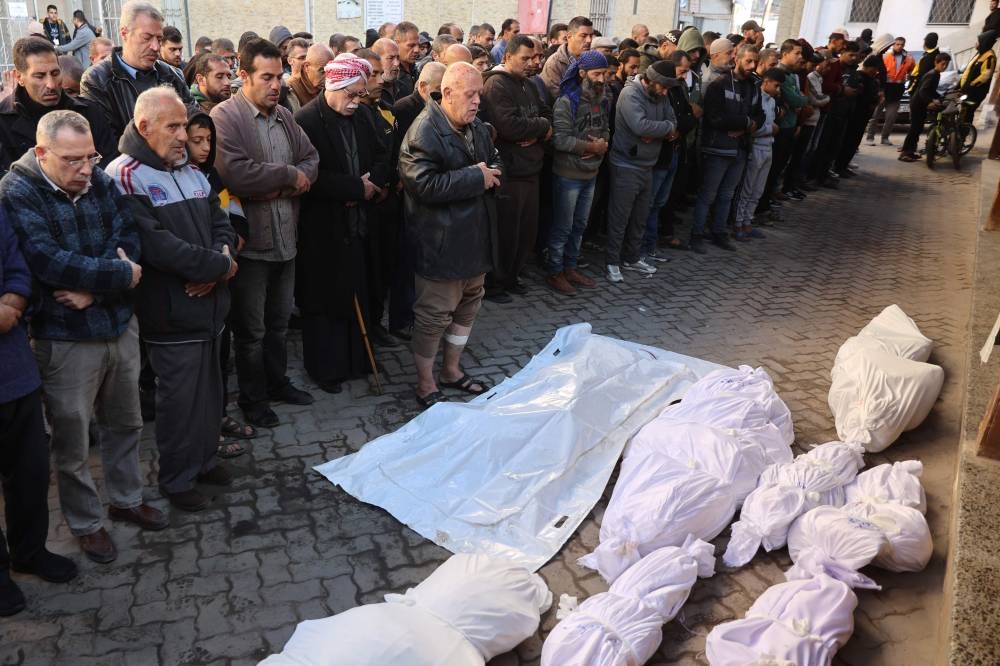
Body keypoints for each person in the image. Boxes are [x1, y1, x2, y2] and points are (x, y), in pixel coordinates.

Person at [1, 109, 168, 564]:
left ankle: (126, 498)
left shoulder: (99, 178)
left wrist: (97, 290)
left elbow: (127, 233)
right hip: (65, 338)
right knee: (73, 439)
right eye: (72, 160)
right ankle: (86, 523)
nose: (85, 169)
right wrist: (118, 274)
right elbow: (45, 261)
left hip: (115, 322)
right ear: (41, 153)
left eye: (91, 156)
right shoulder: (17, 190)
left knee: (126, 423)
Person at [106, 88, 237, 511]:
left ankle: (203, 460)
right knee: (179, 401)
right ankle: (176, 479)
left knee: (209, 393)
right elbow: (157, 247)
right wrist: (217, 268)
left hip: (210, 306)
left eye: (185, 125)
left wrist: (224, 259)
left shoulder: (191, 170)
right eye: (174, 127)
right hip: (171, 311)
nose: (184, 135)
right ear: (144, 128)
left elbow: (222, 224)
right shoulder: (124, 176)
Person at [211, 38, 319, 427]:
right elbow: (235, 173)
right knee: (251, 330)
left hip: (287, 240)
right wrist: (289, 176)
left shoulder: (285, 116)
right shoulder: (226, 118)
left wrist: (287, 180)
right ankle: (252, 399)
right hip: (252, 246)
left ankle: (277, 383)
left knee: (277, 323)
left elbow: (311, 157)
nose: (277, 85)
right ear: (243, 76)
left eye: (280, 77)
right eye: (267, 77)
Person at [398, 62, 502, 408]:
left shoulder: (477, 127)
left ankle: (452, 371)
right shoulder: (423, 131)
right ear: (447, 93)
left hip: (475, 240)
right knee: (433, 317)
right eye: (470, 95)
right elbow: (422, 185)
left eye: (479, 95)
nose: (476, 102)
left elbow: (495, 160)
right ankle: (426, 384)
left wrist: (492, 171)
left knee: (468, 308)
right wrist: (477, 177)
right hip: (441, 244)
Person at [0, 202, 79, 616]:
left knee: (31, 472)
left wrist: (12, 303)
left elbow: (15, 261)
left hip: (14, 372)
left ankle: (29, 551)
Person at [294, 55, 390, 393]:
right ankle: (327, 369)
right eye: (350, 94)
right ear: (333, 86)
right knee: (325, 300)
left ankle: (358, 360)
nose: (355, 101)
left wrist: (372, 183)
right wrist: (353, 188)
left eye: (360, 94)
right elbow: (309, 174)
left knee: (360, 291)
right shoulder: (306, 120)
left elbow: (384, 154)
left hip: (360, 222)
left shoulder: (365, 115)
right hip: (324, 227)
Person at [480, 34, 552, 303]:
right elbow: (508, 127)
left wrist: (538, 129)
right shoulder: (497, 85)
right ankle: (496, 284)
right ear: (508, 57)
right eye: (526, 58)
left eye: (535, 58)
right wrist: (540, 128)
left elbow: (547, 114)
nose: (532, 63)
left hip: (531, 168)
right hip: (509, 172)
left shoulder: (531, 84)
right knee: (506, 233)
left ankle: (512, 277)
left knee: (525, 231)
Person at [604, 60, 680, 281]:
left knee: (640, 216)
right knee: (620, 217)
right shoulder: (630, 95)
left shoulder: (662, 95)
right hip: (626, 165)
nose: (666, 92)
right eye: (663, 87)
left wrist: (659, 130)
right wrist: (663, 130)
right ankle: (612, 261)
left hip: (648, 164)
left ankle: (632, 257)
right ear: (651, 81)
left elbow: (672, 121)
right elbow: (640, 126)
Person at [81, 1, 196, 142]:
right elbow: (105, 144)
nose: (155, 47)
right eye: (146, 38)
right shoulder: (96, 79)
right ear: (124, 34)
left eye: (159, 39)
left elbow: (195, 125)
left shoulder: (173, 75)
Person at [546, 50, 610, 295]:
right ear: (582, 73)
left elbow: (606, 128)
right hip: (568, 175)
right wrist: (590, 147)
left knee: (580, 224)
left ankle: (570, 267)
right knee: (563, 226)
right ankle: (555, 271)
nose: (602, 79)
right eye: (597, 74)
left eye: (605, 73)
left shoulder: (603, 99)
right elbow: (560, 140)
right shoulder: (566, 102)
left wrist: (603, 145)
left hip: (591, 173)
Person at [0, 38, 115, 173]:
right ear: (19, 77)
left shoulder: (89, 112)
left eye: (55, 73)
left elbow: (109, 165)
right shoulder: (3, 122)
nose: (51, 84)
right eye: (40, 76)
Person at [690, 43, 763, 254]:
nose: (752, 65)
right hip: (717, 148)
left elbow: (760, 115)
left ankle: (719, 232)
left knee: (727, 194)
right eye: (748, 61)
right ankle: (696, 235)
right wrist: (745, 123)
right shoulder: (719, 84)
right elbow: (715, 117)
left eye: (755, 62)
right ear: (737, 59)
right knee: (708, 194)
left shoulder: (753, 86)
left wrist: (745, 126)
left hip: (740, 148)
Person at [734, 67, 782, 240]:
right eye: (776, 85)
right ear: (766, 82)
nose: (778, 90)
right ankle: (738, 223)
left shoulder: (771, 101)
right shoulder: (757, 98)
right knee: (747, 189)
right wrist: (771, 129)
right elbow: (753, 127)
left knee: (758, 190)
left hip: (768, 146)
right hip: (756, 148)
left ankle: (748, 222)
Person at [899, 52, 950, 162]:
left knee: (917, 129)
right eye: (943, 64)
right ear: (936, 63)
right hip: (918, 104)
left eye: (946, 64)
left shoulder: (936, 74)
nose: (944, 66)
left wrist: (940, 96)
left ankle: (911, 152)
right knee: (914, 129)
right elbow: (923, 91)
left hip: (921, 104)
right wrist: (929, 102)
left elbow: (930, 91)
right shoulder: (933, 74)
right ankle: (905, 153)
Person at [867, 37, 913, 146]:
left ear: (904, 45)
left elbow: (912, 72)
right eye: (897, 44)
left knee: (891, 117)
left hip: (897, 90)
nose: (899, 46)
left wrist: (909, 80)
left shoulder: (909, 58)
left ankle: (885, 138)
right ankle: (870, 137)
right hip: (884, 88)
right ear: (893, 45)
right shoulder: (885, 56)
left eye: (901, 44)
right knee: (875, 115)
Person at [541, 17, 594, 99]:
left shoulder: (594, 60)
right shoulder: (554, 63)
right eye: (583, 36)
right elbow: (557, 97)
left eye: (591, 36)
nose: (589, 40)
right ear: (569, 36)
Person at [394, 61, 445, 137]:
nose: (444, 95)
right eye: (439, 89)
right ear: (423, 86)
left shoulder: (443, 107)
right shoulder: (403, 109)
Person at [960, 31, 997, 120]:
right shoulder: (980, 54)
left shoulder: (989, 57)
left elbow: (985, 76)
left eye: (978, 41)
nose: (976, 43)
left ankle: (964, 132)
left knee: (968, 112)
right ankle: (961, 131)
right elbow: (969, 70)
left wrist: (970, 85)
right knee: (963, 111)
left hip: (975, 92)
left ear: (984, 42)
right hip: (968, 91)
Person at [287, 43, 334, 113]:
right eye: (322, 72)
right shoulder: (292, 88)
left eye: (330, 71)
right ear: (306, 67)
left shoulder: (332, 84)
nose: (327, 78)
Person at [392, 22, 422, 101]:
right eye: (411, 45)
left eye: (419, 45)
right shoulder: (390, 75)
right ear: (396, 44)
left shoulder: (416, 70)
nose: (417, 50)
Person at [372, 37, 401, 106]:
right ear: (377, 59)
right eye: (391, 58)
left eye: (398, 58)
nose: (397, 63)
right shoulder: (371, 91)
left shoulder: (403, 85)